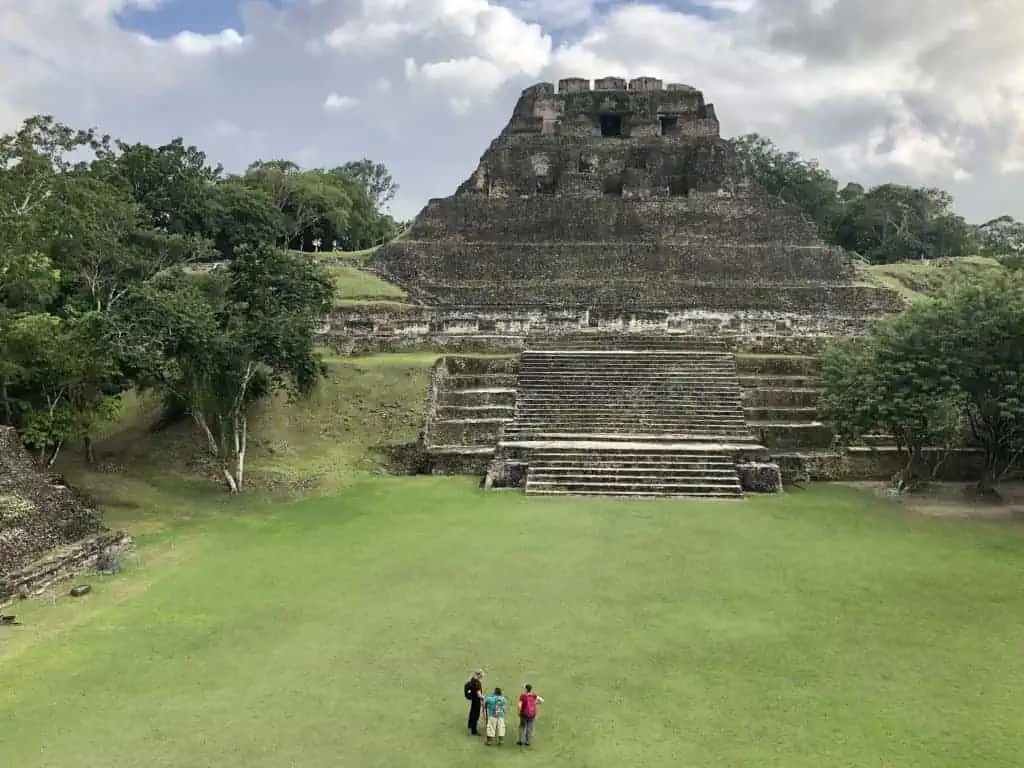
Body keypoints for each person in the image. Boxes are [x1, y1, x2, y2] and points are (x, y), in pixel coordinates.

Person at [464, 670, 484, 736]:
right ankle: (474, 730)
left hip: (473, 698)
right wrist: (482, 697)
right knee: (476, 714)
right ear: (479, 675)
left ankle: (470, 724)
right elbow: (478, 693)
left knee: (472, 711)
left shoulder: (472, 679)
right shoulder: (477, 683)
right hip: (477, 700)